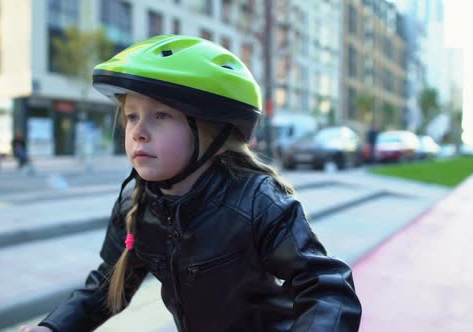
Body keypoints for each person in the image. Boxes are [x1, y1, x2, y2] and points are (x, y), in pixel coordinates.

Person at [20, 35, 361, 332]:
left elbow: (327, 287)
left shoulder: (256, 201)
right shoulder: (136, 203)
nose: (138, 130)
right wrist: (54, 326)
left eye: (161, 115)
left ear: (212, 132)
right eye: (132, 115)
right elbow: (107, 287)